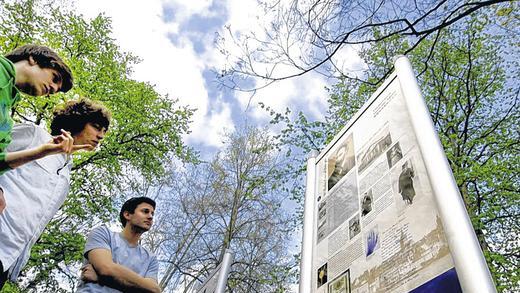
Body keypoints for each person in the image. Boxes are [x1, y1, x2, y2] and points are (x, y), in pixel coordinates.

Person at [0, 98, 110, 289]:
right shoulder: (35, 135)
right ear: (78, 120)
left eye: (103, 131)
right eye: (96, 126)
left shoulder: (66, 172)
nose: (100, 136)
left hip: (8, 259)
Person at [0, 44, 74, 212]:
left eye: (55, 92)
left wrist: (43, 152)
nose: (53, 88)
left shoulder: (7, 118)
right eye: (55, 78)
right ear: (33, 58)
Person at [77, 197, 161, 293]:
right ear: (127, 215)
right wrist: (141, 285)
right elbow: (106, 269)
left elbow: (154, 290)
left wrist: (101, 279)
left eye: (152, 213)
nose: (150, 216)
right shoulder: (103, 233)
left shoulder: (151, 258)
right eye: (145, 211)